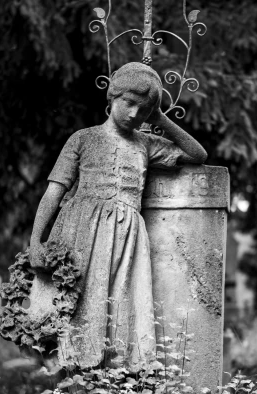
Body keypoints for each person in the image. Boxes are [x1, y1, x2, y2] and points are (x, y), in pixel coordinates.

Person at [29, 61, 207, 369]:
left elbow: (197, 154)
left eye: (144, 109)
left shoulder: (146, 144)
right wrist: (36, 241)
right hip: (82, 231)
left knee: (120, 308)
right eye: (129, 103)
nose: (135, 114)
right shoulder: (83, 138)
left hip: (127, 236)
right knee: (78, 305)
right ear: (113, 96)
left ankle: (114, 380)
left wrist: (161, 117)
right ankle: (69, 387)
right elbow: (53, 193)